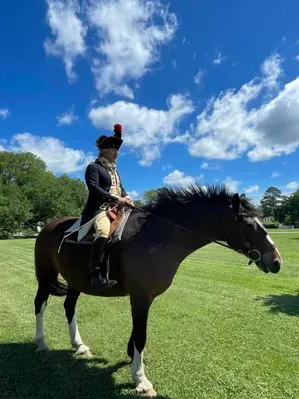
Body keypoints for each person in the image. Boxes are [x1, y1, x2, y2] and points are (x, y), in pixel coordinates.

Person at [81, 123, 133, 288]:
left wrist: (127, 197)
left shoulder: (115, 171)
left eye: (117, 149)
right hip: (100, 209)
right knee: (103, 231)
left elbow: (120, 189)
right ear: (104, 151)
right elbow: (95, 189)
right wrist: (117, 199)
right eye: (113, 149)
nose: (117, 152)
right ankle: (95, 273)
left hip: (118, 208)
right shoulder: (93, 167)